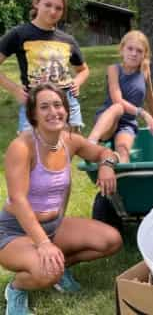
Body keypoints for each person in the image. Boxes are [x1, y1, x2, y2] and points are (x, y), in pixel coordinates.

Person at [0, 83, 123, 314]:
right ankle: (17, 288)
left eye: (57, 105)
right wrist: (44, 244)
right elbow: (17, 200)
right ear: (33, 114)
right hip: (14, 231)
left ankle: (58, 265)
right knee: (48, 272)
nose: (53, 112)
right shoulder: (22, 147)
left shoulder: (69, 140)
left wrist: (107, 165)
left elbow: (103, 152)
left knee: (111, 240)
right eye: (44, 107)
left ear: (66, 110)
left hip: (53, 226)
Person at [0, 0, 89, 133]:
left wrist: (77, 82)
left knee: (67, 147)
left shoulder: (68, 40)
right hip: (34, 100)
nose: (53, 11)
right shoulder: (19, 34)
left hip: (66, 100)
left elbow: (84, 70)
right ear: (36, 2)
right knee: (28, 147)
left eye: (59, 8)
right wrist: (14, 89)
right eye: (48, 5)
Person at [88, 30, 153, 163]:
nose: (133, 53)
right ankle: (91, 142)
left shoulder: (144, 70)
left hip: (127, 123)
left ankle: (123, 179)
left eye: (139, 51)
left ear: (144, 54)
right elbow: (117, 100)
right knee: (118, 107)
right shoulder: (114, 69)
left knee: (124, 152)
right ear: (122, 50)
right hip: (109, 120)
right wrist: (143, 113)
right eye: (130, 49)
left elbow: (150, 97)